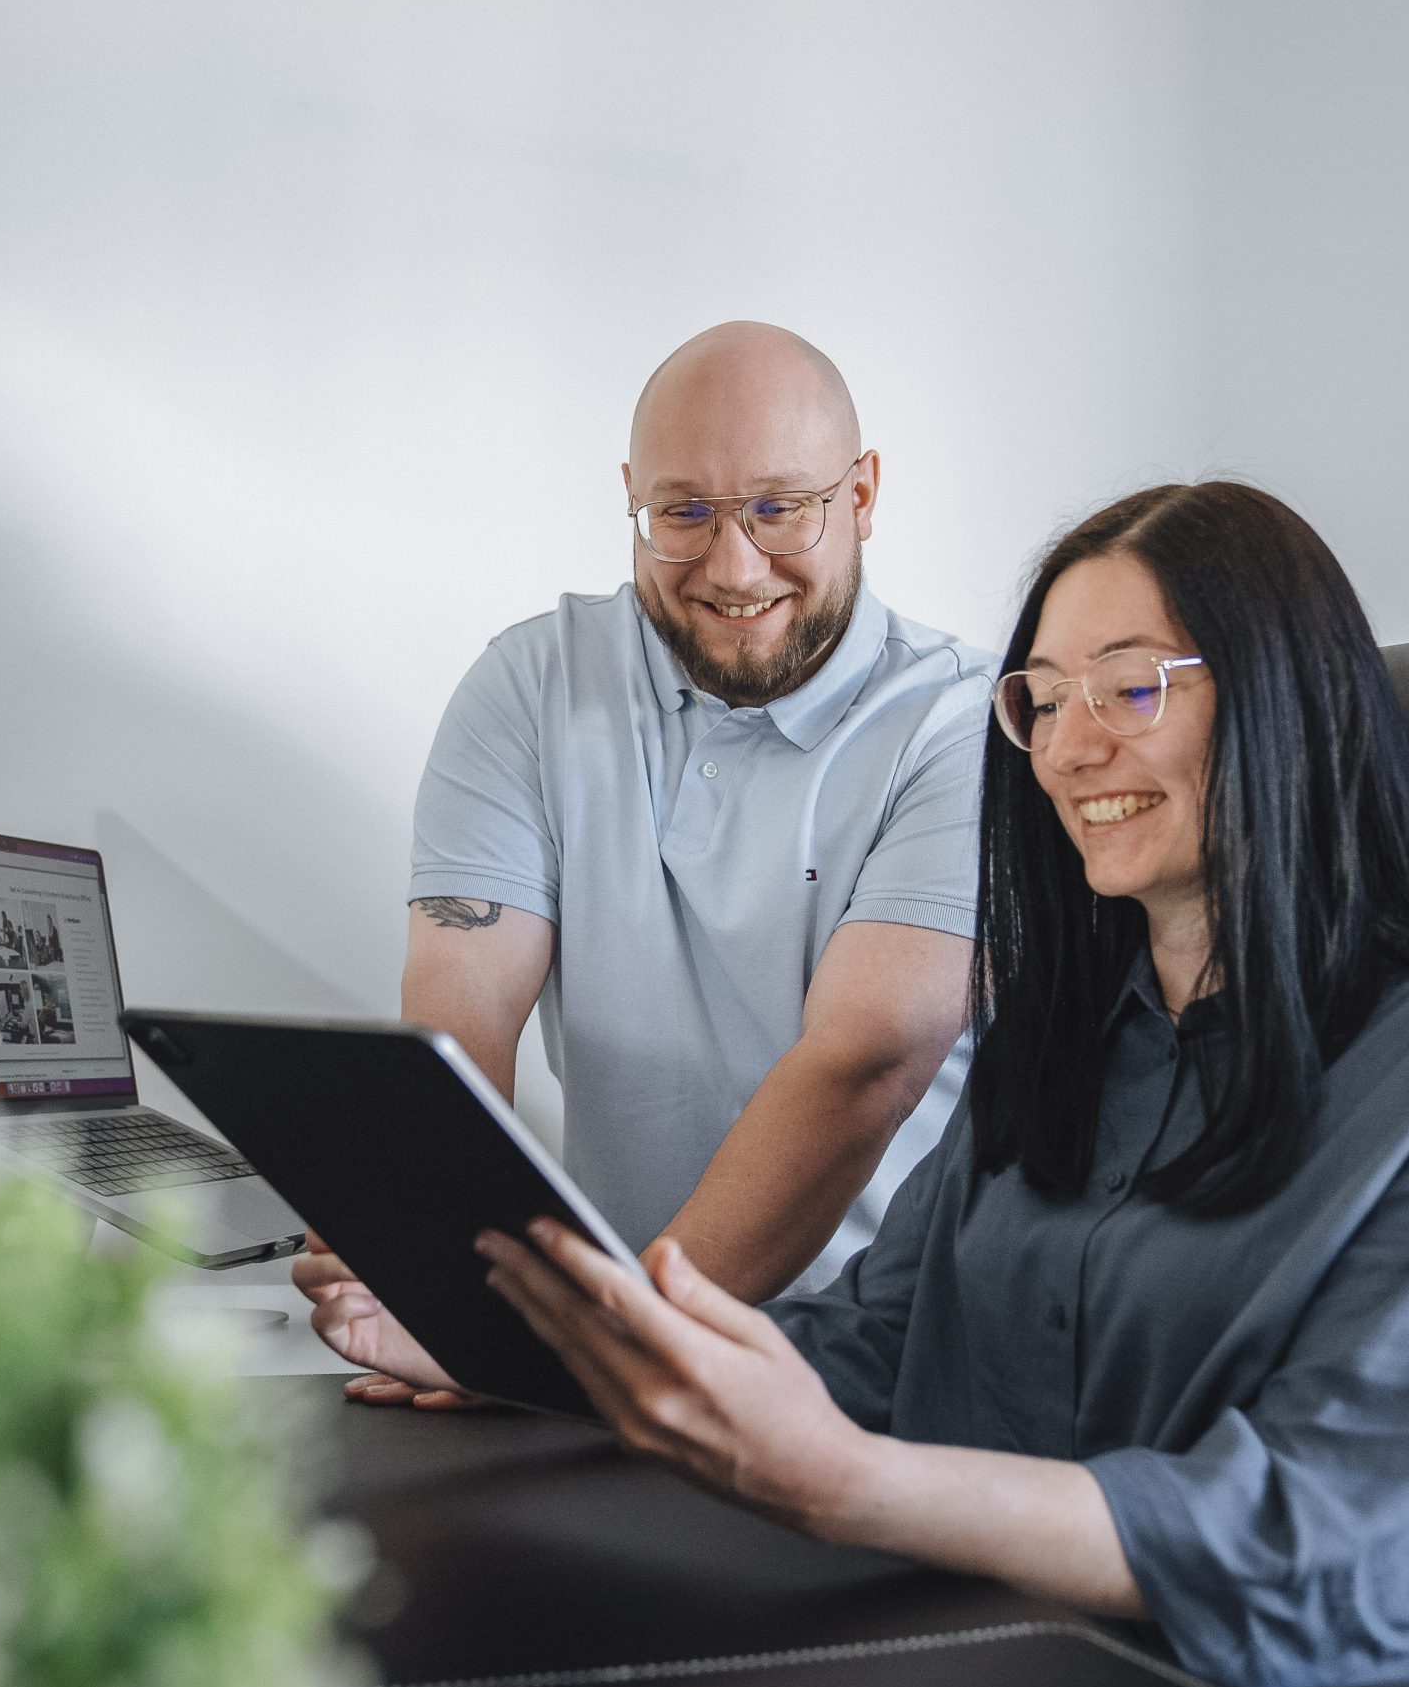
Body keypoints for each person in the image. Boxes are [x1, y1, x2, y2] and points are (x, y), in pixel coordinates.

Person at [457, 481, 1409, 1687]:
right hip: (1033, 1647)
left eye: (1129, 687)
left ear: (1283, 703)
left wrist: (852, 1485)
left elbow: (1325, 1553)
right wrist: (527, 1345)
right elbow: (880, 1345)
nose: (1066, 749)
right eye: (1044, 700)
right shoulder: (1062, 1042)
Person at [307, 322, 993, 1407]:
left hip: (873, 1373)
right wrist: (430, 1274)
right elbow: (457, 1018)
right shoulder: (530, 684)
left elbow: (862, 1068)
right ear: (632, 498)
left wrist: (597, 1341)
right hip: (606, 1364)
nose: (733, 566)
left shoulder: (969, 724)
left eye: (780, 508)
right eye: (683, 514)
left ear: (861, 495)